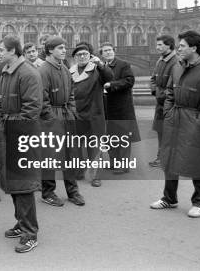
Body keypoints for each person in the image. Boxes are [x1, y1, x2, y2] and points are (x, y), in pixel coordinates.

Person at [150, 30, 200, 218]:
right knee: (169, 158)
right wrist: (168, 113)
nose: (178, 48)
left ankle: (199, 202)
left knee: (198, 160)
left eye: (182, 46)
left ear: (194, 48)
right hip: (174, 118)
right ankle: (169, 198)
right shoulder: (178, 66)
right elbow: (169, 93)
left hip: (195, 120)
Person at [0, 35, 43, 253]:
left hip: (20, 135)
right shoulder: (7, 71)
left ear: (13, 51)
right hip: (8, 130)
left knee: (23, 185)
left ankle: (30, 233)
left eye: (1, 50)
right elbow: (1, 101)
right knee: (13, 182)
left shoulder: (28, 73)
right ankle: (21, 223)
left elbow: (32, 110)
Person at [39, 37, 85, 207]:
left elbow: (71, 93)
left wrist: (71, 111)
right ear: (50, 50)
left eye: (64, 47)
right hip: (51, 117)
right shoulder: (43, 70)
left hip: (66, 115)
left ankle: (72, 191)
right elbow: (41, 100)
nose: (64, 50)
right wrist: (52, 118)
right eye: (60, 47)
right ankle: (48, 192)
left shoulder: (64, 68)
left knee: (70, 154)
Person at [69, 42, 113, 187]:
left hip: (94, 114)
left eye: (85, 54)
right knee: (76, 146)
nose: (82, 57)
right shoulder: (70, 72)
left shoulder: (97, 70)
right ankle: (79, 171)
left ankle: (95, 176)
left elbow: (109, 76)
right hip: (77, 114)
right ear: (75, 58)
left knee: (94, 147)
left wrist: (100, 64)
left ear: (90, 56)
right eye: (78, 55)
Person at [100, 43, 140, 174]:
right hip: (108, 107)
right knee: (111, 136)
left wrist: (111, 84)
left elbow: (129, 81)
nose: (108, 52)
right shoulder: (102, 66)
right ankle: (114, 162)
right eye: (105, 51)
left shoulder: (123, 64)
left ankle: (123, 165)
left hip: (122, 107)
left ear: (114, 51)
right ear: (102, 54)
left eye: (110, 50)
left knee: (123, 137)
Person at [148, 35, 177, 167]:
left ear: (169, 45)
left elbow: (176, 83)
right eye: (157, 44)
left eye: (160, 45)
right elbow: (153, 78)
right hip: (160, 102)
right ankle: (161, 158)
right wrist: (155, 91)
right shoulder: (160, 60)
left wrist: (165, 96)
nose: (157, 47)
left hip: (171, 103)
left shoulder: (176, 61)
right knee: (161, 130)